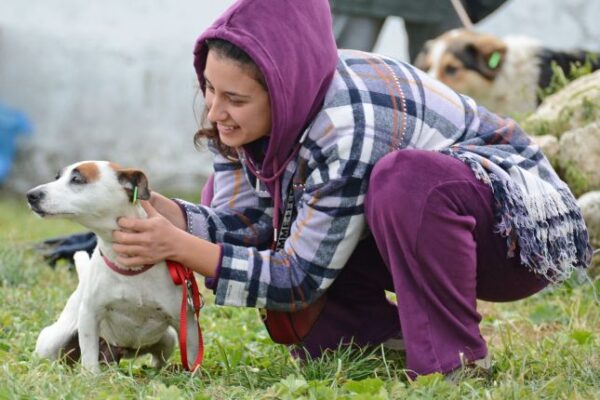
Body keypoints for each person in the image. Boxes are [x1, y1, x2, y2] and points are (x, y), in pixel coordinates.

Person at [111, 0, 592, 378]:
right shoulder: (240, 120)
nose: (215, 112)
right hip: (416, 227)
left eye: (235, 98)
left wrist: (178, 246)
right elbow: (251, 227)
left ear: (283, 89)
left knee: (402, 179)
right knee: (304, 319)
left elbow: (297, 277)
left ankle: (455, 363)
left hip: (513, 236)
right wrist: (162, 212)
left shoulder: (346, 123)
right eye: (209, 89)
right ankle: (388, 340)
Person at [331, 0, 507, 62]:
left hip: (438, 6)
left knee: (448, 77)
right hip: (354, 5)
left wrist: (476, 5)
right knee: (337, 68)